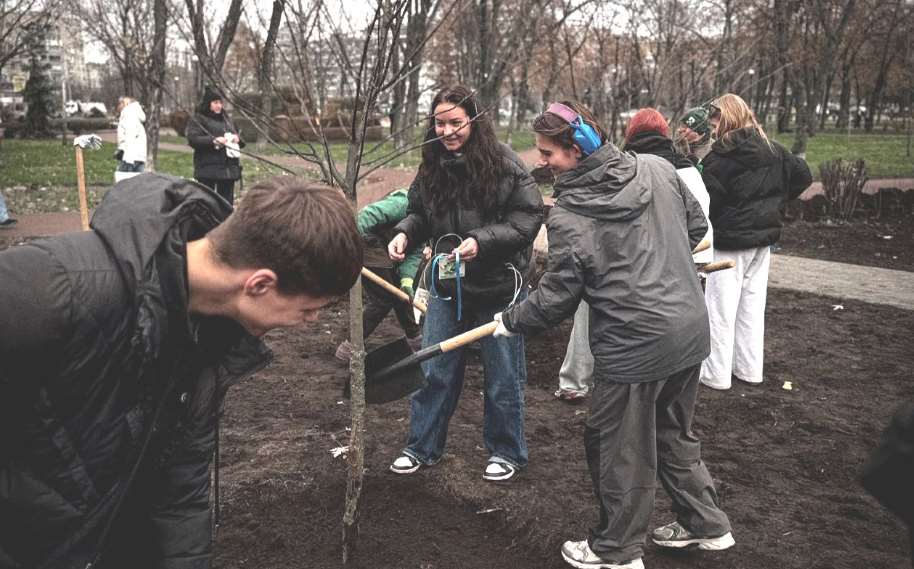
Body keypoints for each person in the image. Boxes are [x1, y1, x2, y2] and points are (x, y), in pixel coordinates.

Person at [0, 175, 362, 568]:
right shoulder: (48, 289)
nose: (308, 322)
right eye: (308, 309)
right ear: (259, 284)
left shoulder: (211, 341)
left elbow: (179, 485)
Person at [495, 100, 732, 569]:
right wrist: (658, 265)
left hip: (634, 345)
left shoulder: (569, 214)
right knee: (671, 432)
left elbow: (559, 295)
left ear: (578, 150)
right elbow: (698, 228)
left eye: (548, 154)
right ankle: (707, 525)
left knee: (615, 443)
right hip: (688, 332)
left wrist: (511, 320)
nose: (541, 162)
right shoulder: (658, 169)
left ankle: (616, 551)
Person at [386, 85, 543, 482]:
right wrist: (405, 231)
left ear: (474, 121)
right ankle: (421, 446)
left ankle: (506, 452)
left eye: (457, 122)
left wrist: (482, 241)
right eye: (440, 122)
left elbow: (528, 218)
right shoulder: (432, 164)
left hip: (497, 286)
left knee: (503, 374)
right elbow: (419, 211)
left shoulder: (503, 163)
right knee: (435, 368)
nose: (448, 130)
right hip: (447, 285)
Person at [699, 93, 812, 391]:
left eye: (715, 122)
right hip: (762, 243)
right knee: (751, 307)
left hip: (728, 242)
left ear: (726, 119)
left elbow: (708, 203)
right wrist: (774, 203)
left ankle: (715, 375)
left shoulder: (719, 158)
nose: (712, 129)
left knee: (719, 310)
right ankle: (749, 370)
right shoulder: (774, 150)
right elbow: (804, 176)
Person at [336, 188, 424, 360]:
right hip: (365, 241)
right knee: (383, 298)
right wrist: (349, 239)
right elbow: (371, 213)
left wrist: (406, 281)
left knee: (400, 293)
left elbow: (414, 252)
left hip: (384, 249)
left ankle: (415, 339)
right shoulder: (404, 202)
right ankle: (350, 347)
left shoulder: (428, 223)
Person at [186, 87, 244, 206]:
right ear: (208, 103)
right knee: (207, 203)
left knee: (226, 205)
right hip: (208, 169)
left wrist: (237, 139)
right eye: (215, 102)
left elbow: (239, 136)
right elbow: (193, 139)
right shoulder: (199, 119)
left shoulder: (227, 120)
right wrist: (213, 141)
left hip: (229, 169)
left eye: (221, 102)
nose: (219, 106)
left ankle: (226, 223)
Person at [115, 96, 147, 182]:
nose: (118, 106)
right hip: (140, 156)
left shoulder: (128, 113)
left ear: (126, 104)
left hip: (130, 157)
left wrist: (127, 156)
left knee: (121, 184)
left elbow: (130, 135)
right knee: (137, 185)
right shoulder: (136, 114)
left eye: (120, 103)